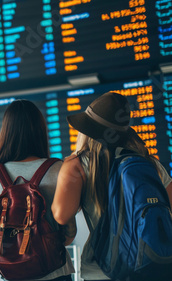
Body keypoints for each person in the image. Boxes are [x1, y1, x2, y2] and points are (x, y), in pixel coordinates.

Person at [51, 91, 172, 281]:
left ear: (87, 132)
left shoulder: (77, 165)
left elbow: (61, 214)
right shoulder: (149, 164)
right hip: (152, 266)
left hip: (103, 270)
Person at [0, 99, 76, 281]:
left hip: (13, 273)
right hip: (56, 271)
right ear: (40, 131)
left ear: (6, 133)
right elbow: (69, 232)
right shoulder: (58, 169)